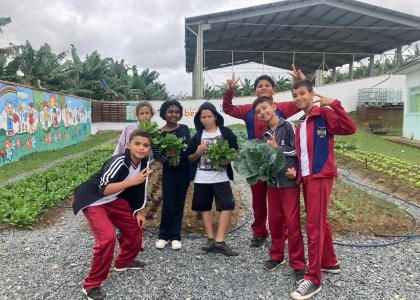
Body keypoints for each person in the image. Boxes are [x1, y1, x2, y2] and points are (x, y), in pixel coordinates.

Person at [287, 80, 356, 300]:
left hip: (321, 176)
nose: (298, 98)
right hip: (307, 178)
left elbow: (349, 128)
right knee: (319, 222)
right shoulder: (302, 121)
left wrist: (335, 103)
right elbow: (302, 154)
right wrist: (297, 174)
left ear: (311, 94)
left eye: (302, 93)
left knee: (313, 225)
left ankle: (313, 279)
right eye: (295, 94)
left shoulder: (323, 114)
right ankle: (329, 262)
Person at [222, 65, 305, 247]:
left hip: (277, 160)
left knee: (280, 199)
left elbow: (303, 101)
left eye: (267, 85)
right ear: (255, 91)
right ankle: (259, 232)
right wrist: (229, 90)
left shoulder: (281, 107)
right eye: (260, 86)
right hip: (257, 162)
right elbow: (227, 108)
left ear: (273, 90)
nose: (263, 87)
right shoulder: (248, 110)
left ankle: (282, 232)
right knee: (258, 201)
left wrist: (301, 80)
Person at [72, 129, 153, 300]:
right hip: (94, 201)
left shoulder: (144, 162)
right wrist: (132, 181)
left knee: (134, 227)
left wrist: (138, 211)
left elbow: (139, 188)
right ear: (128, 145)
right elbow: (104, 189)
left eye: (146, 145)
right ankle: (91, 284)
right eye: (137, 144)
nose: (141, 148)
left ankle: (123, 262)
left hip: (113, 200)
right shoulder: (118, 162)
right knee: (106, 239)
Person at [253, 96, 306, 283]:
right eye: (258, 112)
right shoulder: (265, 135)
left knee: (292, 223)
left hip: (289, 182)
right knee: (274, 221)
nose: (262, 113)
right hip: (272, 184)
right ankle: (277, 255)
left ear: (274, 106)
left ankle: (299, 264)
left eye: (264, 108)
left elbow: (298, 150)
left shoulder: (289, 126)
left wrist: (278, 149)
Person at [187, 102, 239, 256]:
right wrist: (198, 152)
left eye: (209, 116)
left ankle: (220, 240)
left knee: (228, 205)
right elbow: (190, 158)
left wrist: (228, 159)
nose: (207, 119)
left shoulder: (225, 132)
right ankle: (210, 238)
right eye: (203, 117)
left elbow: (235, 149)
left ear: (216, 116)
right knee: (204, 207)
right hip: (202, 178)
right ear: (199, 119)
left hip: (221, 177)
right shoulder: (197, 136)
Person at [113, 100, 154, 249]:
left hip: (142, 169)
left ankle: (135, 240)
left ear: (151, 114)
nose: (144, 116)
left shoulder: (154, 130)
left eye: (147, 113)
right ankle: (122, 237)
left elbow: (153, 153)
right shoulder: (129, 128)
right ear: (137, 115)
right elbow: (120, 147)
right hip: (126, 169)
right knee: (124, 203)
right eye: (141, 113)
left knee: (138, 203)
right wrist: (115, 162)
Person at [153, 100, 191, 250]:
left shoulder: (185, 129)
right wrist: (167, 157)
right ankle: (163, 235)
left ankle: (175, 236)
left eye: (176, 112)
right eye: (170, 111)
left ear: (180, 114)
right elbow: (156, 155)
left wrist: (180, 151)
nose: (174, 114)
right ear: (164, 113)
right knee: (168, 205)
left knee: (179, 204)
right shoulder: (159, 133)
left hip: (184, 172)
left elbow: (189, 148)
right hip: (169, 173)